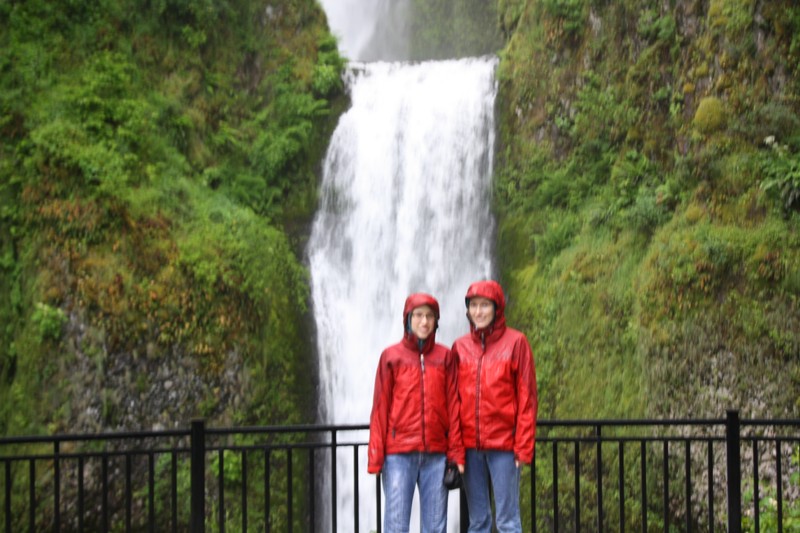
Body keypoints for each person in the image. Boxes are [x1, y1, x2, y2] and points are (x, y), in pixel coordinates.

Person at [368, 292, 465, 533]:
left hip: (436, 456)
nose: (424, 321)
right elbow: (380, 408)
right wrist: (376, 457)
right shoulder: (391, 357)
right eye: (419, 315)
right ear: (408, 319)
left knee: (435, 528)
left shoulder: (445, 357)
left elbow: (454, 407)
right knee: (396, 526)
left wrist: (456, 454)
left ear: (436, 321)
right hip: (398, 455)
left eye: (430, 316)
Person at [452, 280, 538, 533]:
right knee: (478, 521)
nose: (478, 312)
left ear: (497, 308)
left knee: (507, 521)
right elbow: (453, 402)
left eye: (485, 305)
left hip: (504, 447)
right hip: (470, 448)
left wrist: (523, 447)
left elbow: (527, 398)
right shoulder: (460, 347)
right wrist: (456, 450)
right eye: (473, 306)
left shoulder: (516, 343)